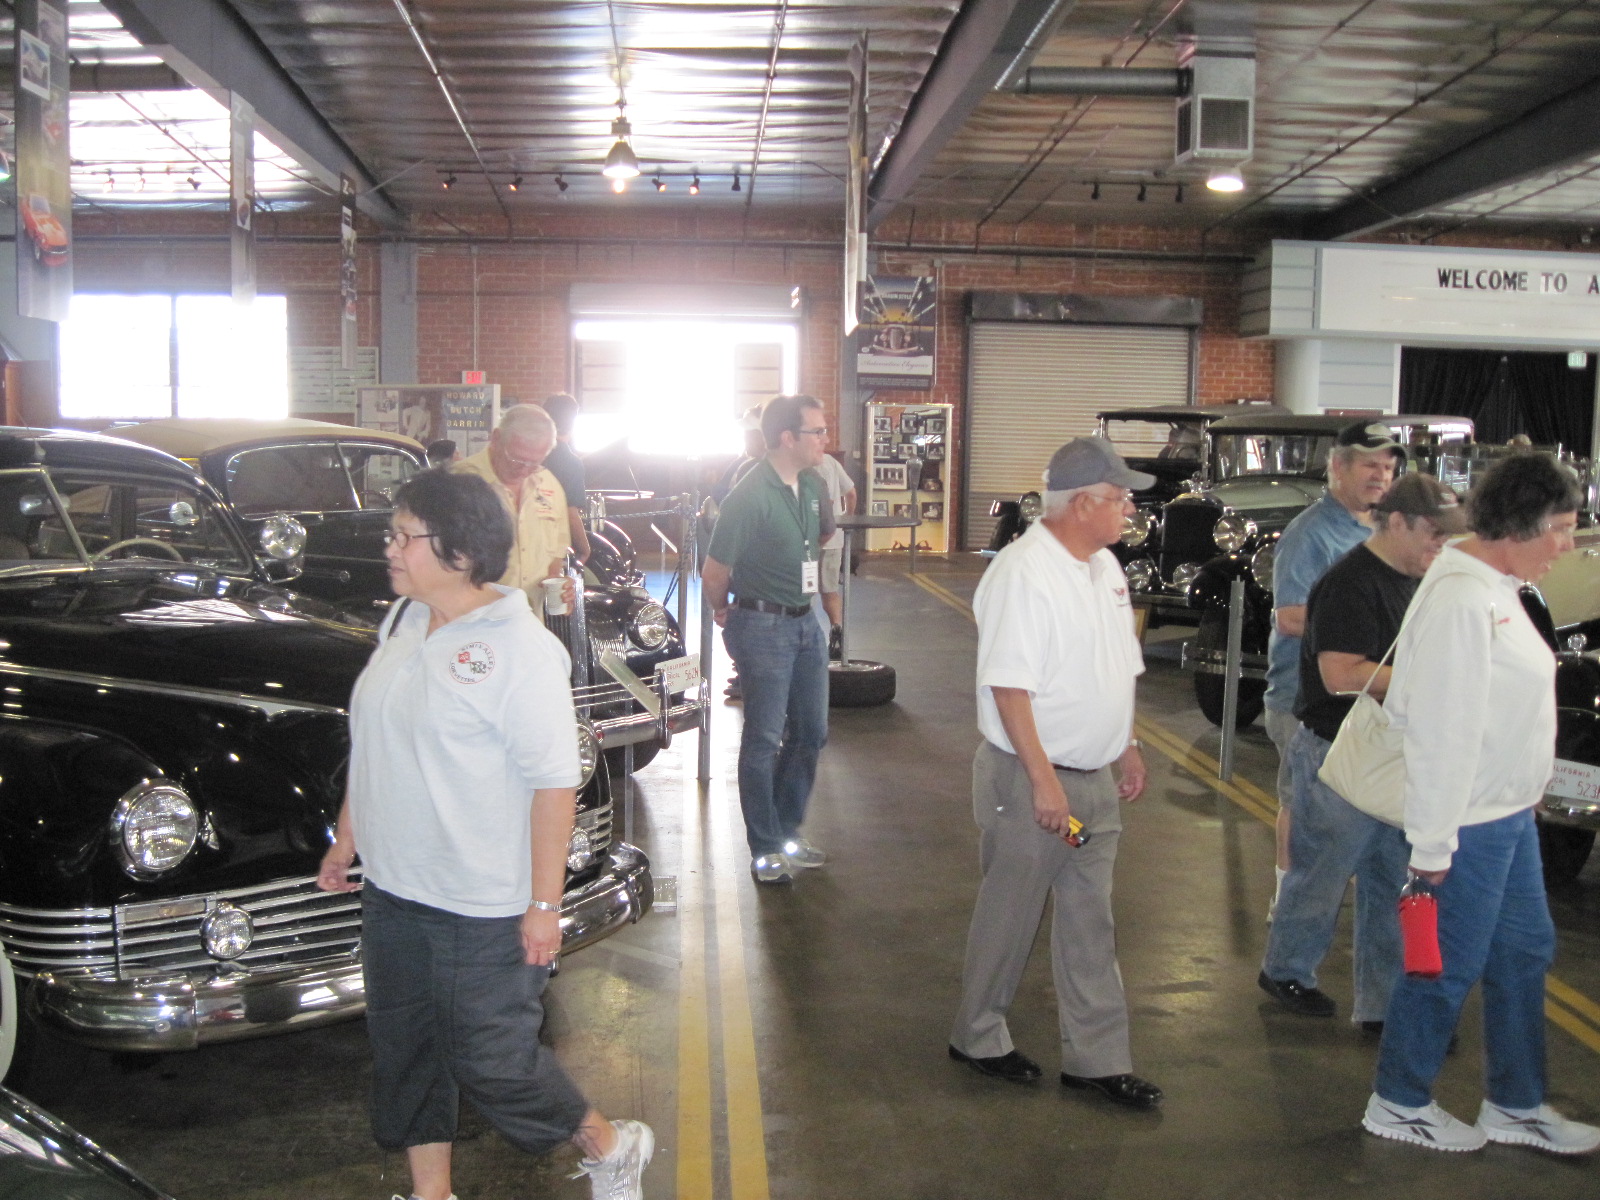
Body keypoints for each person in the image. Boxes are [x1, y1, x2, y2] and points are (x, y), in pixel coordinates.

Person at [316, 469, 652, 1200]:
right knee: (405, 1051)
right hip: (398, 889)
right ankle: (431, 1193)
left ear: (462, 553)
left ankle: (609, 1141)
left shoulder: (519, 651)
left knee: (492, 1059)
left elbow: (553, 783)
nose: (391, 549)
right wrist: (348, 836)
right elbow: (374, 739)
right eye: (392, 533)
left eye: (406, 536)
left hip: (482, 901)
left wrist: (543, 905)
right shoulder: (404, 622)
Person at [1362, 453, 1600, 1155]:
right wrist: (1432, 850)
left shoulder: (1495, 588)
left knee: (1525, 950)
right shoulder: (1463, 600)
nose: (1568, 543)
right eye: (1560, 527)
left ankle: (1515, 1102)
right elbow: (1442, 732)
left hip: (1507, 815)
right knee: (1444, 963)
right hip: (1467, 822)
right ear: (1518, 527)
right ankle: (1399, 1100)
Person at [948, 437, 1161, 1110]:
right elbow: (1011, 689)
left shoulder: (1104, 568)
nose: (1130, 509)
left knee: (1089, 918)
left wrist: (1124, 742)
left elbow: (1117, 665)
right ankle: (978, 1034)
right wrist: (1044, 782)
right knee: (1012, 911)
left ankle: (1097, 1060)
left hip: (1093, 781)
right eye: (1121, 498)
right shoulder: (1024, 573)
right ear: (1082, 503)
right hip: (1034, 780)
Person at [1258, 474, 1464, 1026]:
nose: (1439, 546)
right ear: (1397, 522)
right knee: (1321, 877)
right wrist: (1426, 679)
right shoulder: (1352, 582)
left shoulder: (1419, 580)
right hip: (1338, 755)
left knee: (1393, 884)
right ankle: (1287, 970)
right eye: (1433, 534)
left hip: (1392, 754)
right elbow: (1339, 673)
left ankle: (1382, 1006)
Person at [1263, 421, 1402, 920]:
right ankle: (1288, 903)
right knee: (1301, 807)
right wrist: (1359, 639)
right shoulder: (1311, 533)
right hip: (1305, 698)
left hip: (1362, 700)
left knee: (1353, 807)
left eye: (1388, 467)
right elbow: (1289, 614)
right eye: (1369, 464)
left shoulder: (1380, 531)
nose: (1380, 476)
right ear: (1337, 467)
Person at [702, 394, 831, 884]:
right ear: (787, 438)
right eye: (816, 432)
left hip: (805, 623)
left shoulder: (813, 486)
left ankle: (786, 830)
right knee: (763, 739)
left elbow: (815, 539)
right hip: (762, 627)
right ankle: (765, 846)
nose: (824, 440)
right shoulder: (748, 495)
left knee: (811, 732)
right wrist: (723, 610)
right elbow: (715, 571)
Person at [453, 404, 575, 612]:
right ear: (496, 438)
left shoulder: (549, 485)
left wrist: (560, 586)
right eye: (516, 459)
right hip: (471, 624)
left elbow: (557, 554)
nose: (524, 470)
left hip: (528, 624)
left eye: (534, 462)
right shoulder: (457, 484)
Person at [813, 450, 857, 660]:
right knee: (829, 590)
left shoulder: (797, 464)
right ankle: (836, 628)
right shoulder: (831, 463)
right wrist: (846, 520)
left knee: (804, 590)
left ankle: (806, 638)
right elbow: (851, 493)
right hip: (834, 538)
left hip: (806, 540)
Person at [540, 393, 592, 565]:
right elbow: (570, 513)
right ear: (572, 423)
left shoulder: (533, 453)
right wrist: (585, 549)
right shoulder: (570, 462)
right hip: (554, 546)